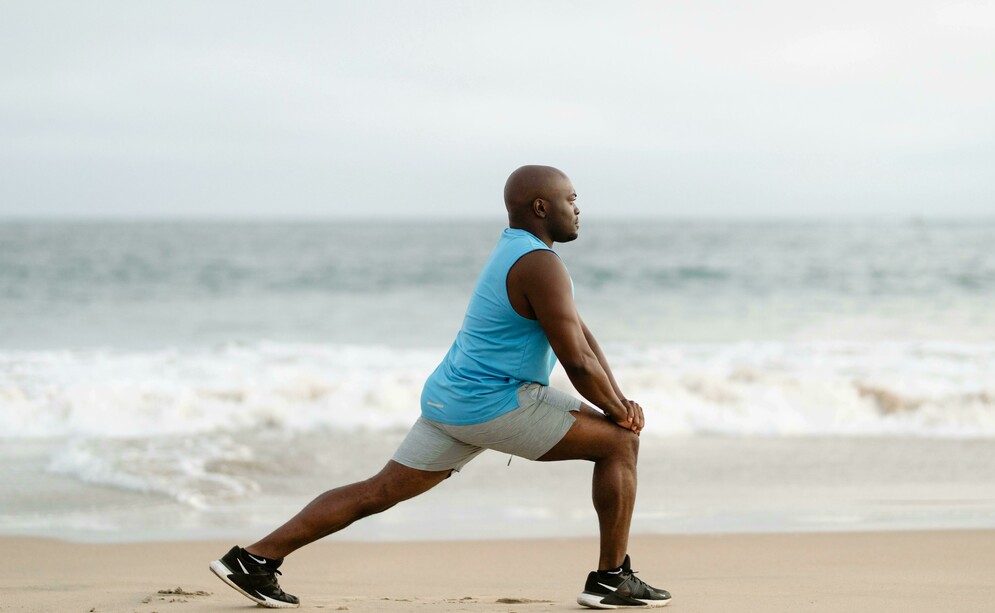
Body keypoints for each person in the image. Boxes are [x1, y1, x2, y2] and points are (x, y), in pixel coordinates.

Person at [209, 165, 672, 610]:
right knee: (618, 446)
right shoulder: (539, 264)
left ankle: (254, 559)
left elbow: (581, 336)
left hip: (450, 399)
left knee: (379, 490)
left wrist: (618, 398)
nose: (577, 208)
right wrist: (618, 412)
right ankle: (611, 579)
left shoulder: (517, 249)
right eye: (570, 199)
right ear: (540, 206)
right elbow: (575, 359)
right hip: (494, 404)